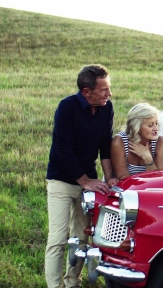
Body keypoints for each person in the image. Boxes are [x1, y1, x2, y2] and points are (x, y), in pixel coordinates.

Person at [45, 64, 114, 288]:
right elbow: (63, 148)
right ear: (86, 91)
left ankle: (72, 282)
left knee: (81, 238)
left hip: (89, 184)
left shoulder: (107, 108)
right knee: (58, 239)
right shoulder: (67, 107)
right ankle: (55, 286)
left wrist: (108, 178)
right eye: (104, 89)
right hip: (61, 181)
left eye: (109, 88)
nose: (109, 94)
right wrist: (85, 181)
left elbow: (105, 146)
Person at [111, 103, 163, 179]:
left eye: (156, 123)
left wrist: (147, 158)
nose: (156, 128)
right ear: (136, 126)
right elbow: (123, 177)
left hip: (149, 188)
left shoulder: (161, 143)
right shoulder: (119, 142)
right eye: (150, 125)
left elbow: (159, 180)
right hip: (125, 188)